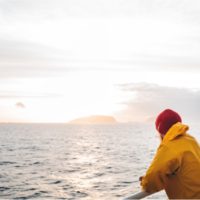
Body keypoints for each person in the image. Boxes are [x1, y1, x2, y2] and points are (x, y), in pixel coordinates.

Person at [140, 109, 200, 199]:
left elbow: (151, 180)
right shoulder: (191, 140)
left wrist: (144, 182)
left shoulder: (169, 145)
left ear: (160, 130)